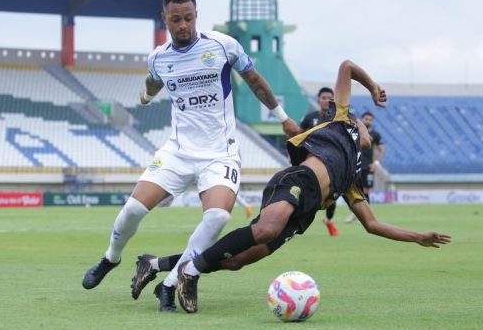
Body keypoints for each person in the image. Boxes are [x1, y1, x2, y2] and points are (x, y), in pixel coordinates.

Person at [134, 59, 450, 313]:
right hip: (296, 181)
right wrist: (373, 86)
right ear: (354, 121)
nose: (369, 130)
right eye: (365, 125)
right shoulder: (341, 122)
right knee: (266, 229)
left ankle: (153, 264)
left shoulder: (352, 178)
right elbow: (347, 67)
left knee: (236, 260)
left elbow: (372, 224)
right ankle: (190, 274)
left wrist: (417, 237)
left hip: (303, 216)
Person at [82, 0, 300, 312]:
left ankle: (171, 283)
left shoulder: (222, 46)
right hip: (177, 152)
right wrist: (146, 95)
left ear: (196, 14)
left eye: (187, 18)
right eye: (175, 19)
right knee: (132, 210)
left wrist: (283, 118)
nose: (182, 25)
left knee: (215, 217)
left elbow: (255, 80)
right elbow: (155, 80)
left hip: (219, 152)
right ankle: (111, 258)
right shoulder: (158, 57)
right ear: (164, 19)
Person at [300, 86, 339, 236]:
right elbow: (299, 134)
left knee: (333, 195)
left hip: (331, 162)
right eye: (324, 98)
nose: (327, 101)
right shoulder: (310, 118)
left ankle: (328, 221)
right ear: (319, 100)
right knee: (303, 193)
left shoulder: (337, 119)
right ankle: (294, 224)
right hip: (310, 160)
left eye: (330, 98)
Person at [345, 111, 388, 223]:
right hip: (355, 164)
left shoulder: (375, 135)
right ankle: (356, 213)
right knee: (355, 189)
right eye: (366, 119)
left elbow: (382, 150)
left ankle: (364, 216)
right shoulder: (355, 131)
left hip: (368, 166)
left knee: (366, 190)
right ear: (362, 119)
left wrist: (376, 163)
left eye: (370, 119)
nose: (368, 121)